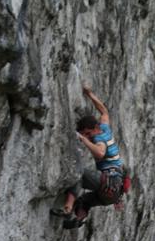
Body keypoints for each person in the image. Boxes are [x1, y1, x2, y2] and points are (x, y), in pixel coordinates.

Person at [52, 85, 127, 230]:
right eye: (84, 134)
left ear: (94, 129)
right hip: (114, 193)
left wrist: (82, 139)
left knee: (77, 173)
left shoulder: (99, 138)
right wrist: (89, 94)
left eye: (87, 133)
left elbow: (100, 152)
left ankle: (67, 208)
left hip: (108, 182)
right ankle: (77, 219)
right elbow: (104, 111)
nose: (87, 136)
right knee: (84, 201)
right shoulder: (104, 128)